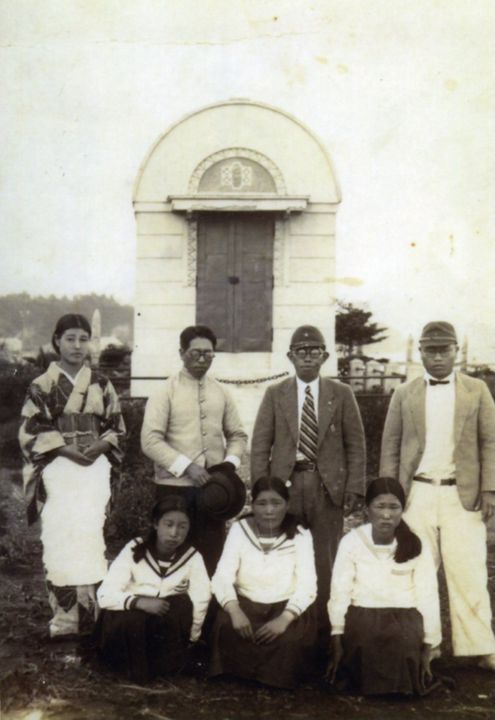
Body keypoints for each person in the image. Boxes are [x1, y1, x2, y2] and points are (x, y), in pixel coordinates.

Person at [380, 321, 495, 670]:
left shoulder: (477, 390)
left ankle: (481, 646)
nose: (438, 357)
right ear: (421, 353)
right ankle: (426, 643)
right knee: (417, 569)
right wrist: (388, 497)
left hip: (463, 496)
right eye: (431, 350)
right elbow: (390, 446)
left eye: (444, 349)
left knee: (469, 570)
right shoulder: (404, 393)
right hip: (416, 493)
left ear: (456, 351)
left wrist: (489, 489)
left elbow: (490, 441)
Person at [19, 313, 125, 638]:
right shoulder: (41, 385)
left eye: (83, 339)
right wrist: (66, 450)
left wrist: (99, 446)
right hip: (59, 467)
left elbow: (116, 427)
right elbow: (32, 429)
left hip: (93, 467)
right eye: (70, 339)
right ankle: (64, 621)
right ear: (57, 341)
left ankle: (92, 617)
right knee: (60, 536)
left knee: (90, 535)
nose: (77, 346)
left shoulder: (101, 384)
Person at [250, 325, 366, 620]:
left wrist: (354, 487)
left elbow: (355, 445)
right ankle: (288, 622)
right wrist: (262, 490)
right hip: (285, 488)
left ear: (325, 357)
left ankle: (324, 626)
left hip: (327, 488)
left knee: (325, 557)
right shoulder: (275, 394)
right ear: (290, 356)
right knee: (286, 552)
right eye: (301, 351)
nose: (307, 357)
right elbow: (261, 445)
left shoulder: (341, 394)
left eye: (314, 351)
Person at [141, 325, 248, 575]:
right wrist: (187, 467)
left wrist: (228, 466)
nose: (202, 359)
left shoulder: (221, 392)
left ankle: (208, 601)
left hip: (213, 492)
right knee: (173, 555)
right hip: (174, 489)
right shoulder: (165, 392)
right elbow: (150, 440)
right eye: (195, 353)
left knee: (211, 556)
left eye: (208, 354)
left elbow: (238, 435)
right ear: (182, 353)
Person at [327, 477, 441, 696]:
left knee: (401, 643)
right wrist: (337, 637)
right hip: (362, 614)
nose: (387, 514)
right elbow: (340, 591)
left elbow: (428, 595)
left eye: (394, 507)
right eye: (380, 506)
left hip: (405, 616)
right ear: (367, 510)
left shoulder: (416, 543)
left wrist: (429, 644)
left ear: (402, 510)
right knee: (366, 640)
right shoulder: (352, 541)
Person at [209, 476, 318, 689]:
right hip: (246, 604)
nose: (269, 510)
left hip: (284, 607)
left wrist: (284, 619)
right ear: (252, 505)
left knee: (290, 641)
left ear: (287, 505)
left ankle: (269, 674)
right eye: (262, 503)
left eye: (276, 503)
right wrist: (235, 611)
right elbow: (222, 576)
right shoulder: (240, 529)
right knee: (227, 628)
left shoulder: (300, 533)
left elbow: (308, 584)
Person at [96, 496, 211, 683]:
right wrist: (139, 602)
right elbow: (104, 594)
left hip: (164, 619)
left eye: (182, 526)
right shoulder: (135, 548)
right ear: (156, 524)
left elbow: (201, 597)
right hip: (131, 615)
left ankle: (163, 664)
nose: (174, 533)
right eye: (168, 524)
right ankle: (131, 667)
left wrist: (193, 637)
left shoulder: (192, 557)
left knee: (180, 606)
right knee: (133, 620)